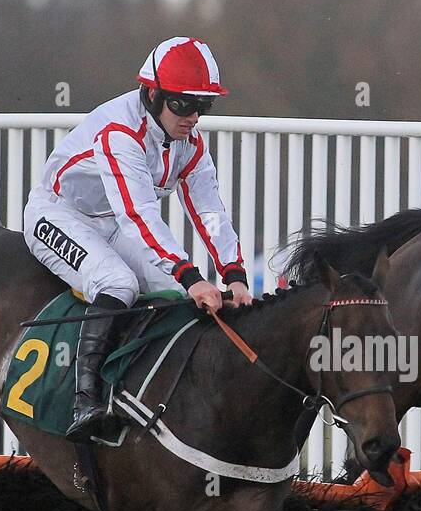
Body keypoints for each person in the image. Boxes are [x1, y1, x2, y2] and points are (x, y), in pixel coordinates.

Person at [23, 36, 252, 442]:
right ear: (152, 93)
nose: (193, 117)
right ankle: (85, 400)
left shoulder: (190, 143)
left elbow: (210, 211)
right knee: (119, 283)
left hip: (112, 223)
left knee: (174, 295)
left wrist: (234, 275)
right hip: (59, 213)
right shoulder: (119, 131)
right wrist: (191, 274)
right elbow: (139, 215)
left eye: (203, 105)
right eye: (183, 104)